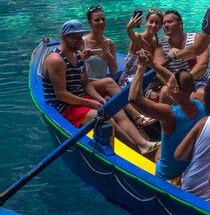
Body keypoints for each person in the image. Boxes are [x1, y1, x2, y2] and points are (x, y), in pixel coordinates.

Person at [42, 20, 155, 155]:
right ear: (65, 37)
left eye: (80, 36)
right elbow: (61, 94)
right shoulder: (56, 60)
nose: (79, 41)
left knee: (113, 109)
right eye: (75, 37)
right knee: (104, 118)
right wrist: (90, 102)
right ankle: (136, 149)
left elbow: (85, 84)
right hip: (65, 106)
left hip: (79, 97)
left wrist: (98, 100)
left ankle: (143, 144)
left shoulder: (78, 55)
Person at [128, 50, 206, 180]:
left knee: (158, 148)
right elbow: (178, 81)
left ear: (176, 89)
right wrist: (153, 64)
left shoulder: (169, 114)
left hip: (166, 174)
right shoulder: (199, 105)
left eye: (169, 83)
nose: (166, 83)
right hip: (187, 167)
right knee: (161, 143)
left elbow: (134, 99)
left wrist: (141, 67)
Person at [154, 9, 209, 103]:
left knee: (201, 93)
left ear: (180, 24)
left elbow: (202, 65)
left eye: (170, 22)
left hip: (198, 81)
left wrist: (184, 82)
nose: (166, 25)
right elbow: (159, 72)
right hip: (174, 83)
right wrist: (176, 85)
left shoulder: (196, 39)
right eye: (164, 23)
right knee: (164, 91)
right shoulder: (161, 47)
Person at [118, 8, 163, 89]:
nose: (153, 25)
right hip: (129, 80)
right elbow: (132, 36)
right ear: (146, 23)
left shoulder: (156, 44)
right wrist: (129, 29)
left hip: (144, 79)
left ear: (160, 26)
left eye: (157, 23)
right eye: (151, 21)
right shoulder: (138, 38)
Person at [81, 5, 118, 80]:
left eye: (103, 19)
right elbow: (73, 68)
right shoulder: (81, 42)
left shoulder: (110, 43)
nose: (101, 22)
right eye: (97, 20)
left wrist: (108, 56)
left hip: (102, 83)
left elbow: (114, 71)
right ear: (90, 23)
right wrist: (82, 57)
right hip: (86, 83)